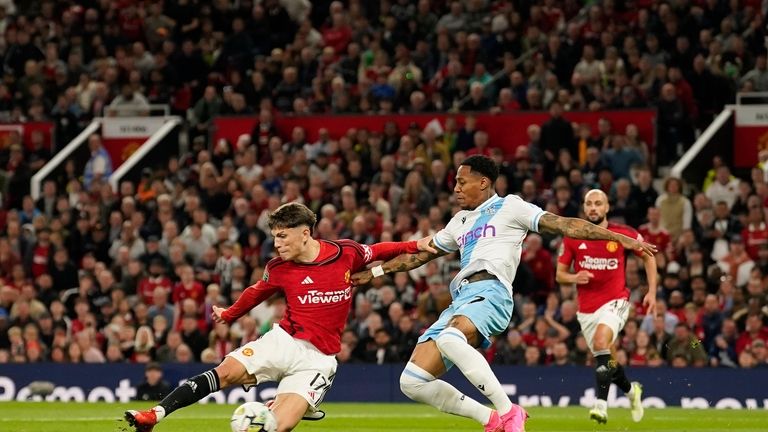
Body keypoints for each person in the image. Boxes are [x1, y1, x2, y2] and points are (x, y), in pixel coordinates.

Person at [352, 155, 656, 432]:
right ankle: (492, 420)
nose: (455, 189)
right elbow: (419, 255)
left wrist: (617, 237)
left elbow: (565, 224)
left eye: (461, 182)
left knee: (449, 338)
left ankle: (510, 413)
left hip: (492, 292)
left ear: (483, 182)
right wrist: (376, 272)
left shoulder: (511, 206)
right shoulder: (459, 221)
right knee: (412, 382)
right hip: (462, 300)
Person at [125, 202, 433, 432]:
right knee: (226, 371)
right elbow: (256, 292)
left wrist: (416, 244)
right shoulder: (279, 268)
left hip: (319, 359)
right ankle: (154, 415)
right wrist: (229, 314)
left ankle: (278, 407)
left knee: (279, 425)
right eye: (275, 236)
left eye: (283, 236)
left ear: (305, 234)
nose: (277, 244)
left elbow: (380, 250)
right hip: (284, 340)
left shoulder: (345, 253)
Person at [556, 189, 657, 424]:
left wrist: (652, 291)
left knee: (602, 343)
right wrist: (574, 277)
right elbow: (560, 275)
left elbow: (649, 256)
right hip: (587, 309)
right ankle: (632, 391)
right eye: (589, 203)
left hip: (616, 301)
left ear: (607, 207)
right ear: (583, 207)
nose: (593, 207)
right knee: (608, 360)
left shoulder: (621, 233)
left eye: (598, 203)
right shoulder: (572, 236)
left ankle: (601, 405)